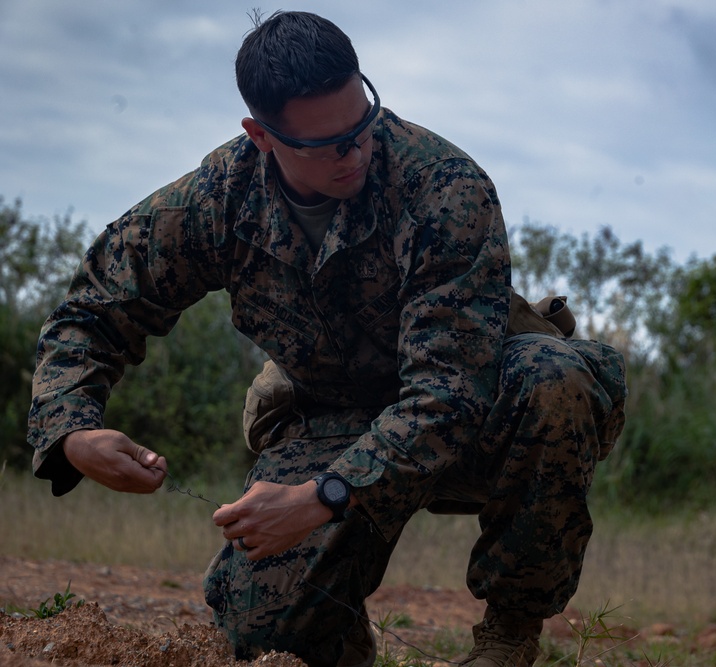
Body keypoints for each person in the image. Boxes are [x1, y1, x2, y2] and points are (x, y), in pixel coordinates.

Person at [27, 10, 627, 667]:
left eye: (362, 125)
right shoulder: (215, 202)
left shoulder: (444, 188)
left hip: (478, 416)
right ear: (262, 136)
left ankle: (508, 637)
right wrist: (73, 430)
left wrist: (324, 497)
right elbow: (92, 308)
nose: (357, 152)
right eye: (328, 143)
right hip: (333, 417)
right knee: (264, 628)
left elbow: (448, 395)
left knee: (553, 376)